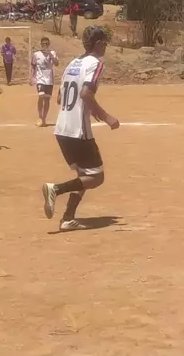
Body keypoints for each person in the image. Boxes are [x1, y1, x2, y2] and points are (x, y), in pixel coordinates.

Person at [42, 25, 120, 232]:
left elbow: (60, 98)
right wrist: (106, 117)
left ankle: (68, 218)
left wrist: (89, 108)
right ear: (98, 43)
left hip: (62, 128)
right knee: (96, 177)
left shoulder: (73, 63)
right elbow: (86, 93)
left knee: (83, 176)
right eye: (105, 42)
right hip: (78, 130)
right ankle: (55, 189)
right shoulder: (95, 63)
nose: (106, 46)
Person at [31, 37, 59, 128]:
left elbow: (56, 63)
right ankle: (40, 116)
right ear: (41, 44)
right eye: (43, 44)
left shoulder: (53, 53)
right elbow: (34, 66)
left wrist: (50, 55)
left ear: (49, 44)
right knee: (41, 96)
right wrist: (32, 77)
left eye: (46, 44)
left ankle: (44, 118)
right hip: (40, 79)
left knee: (47, 99)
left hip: (49, 80)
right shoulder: (36, 54)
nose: (45, 45)